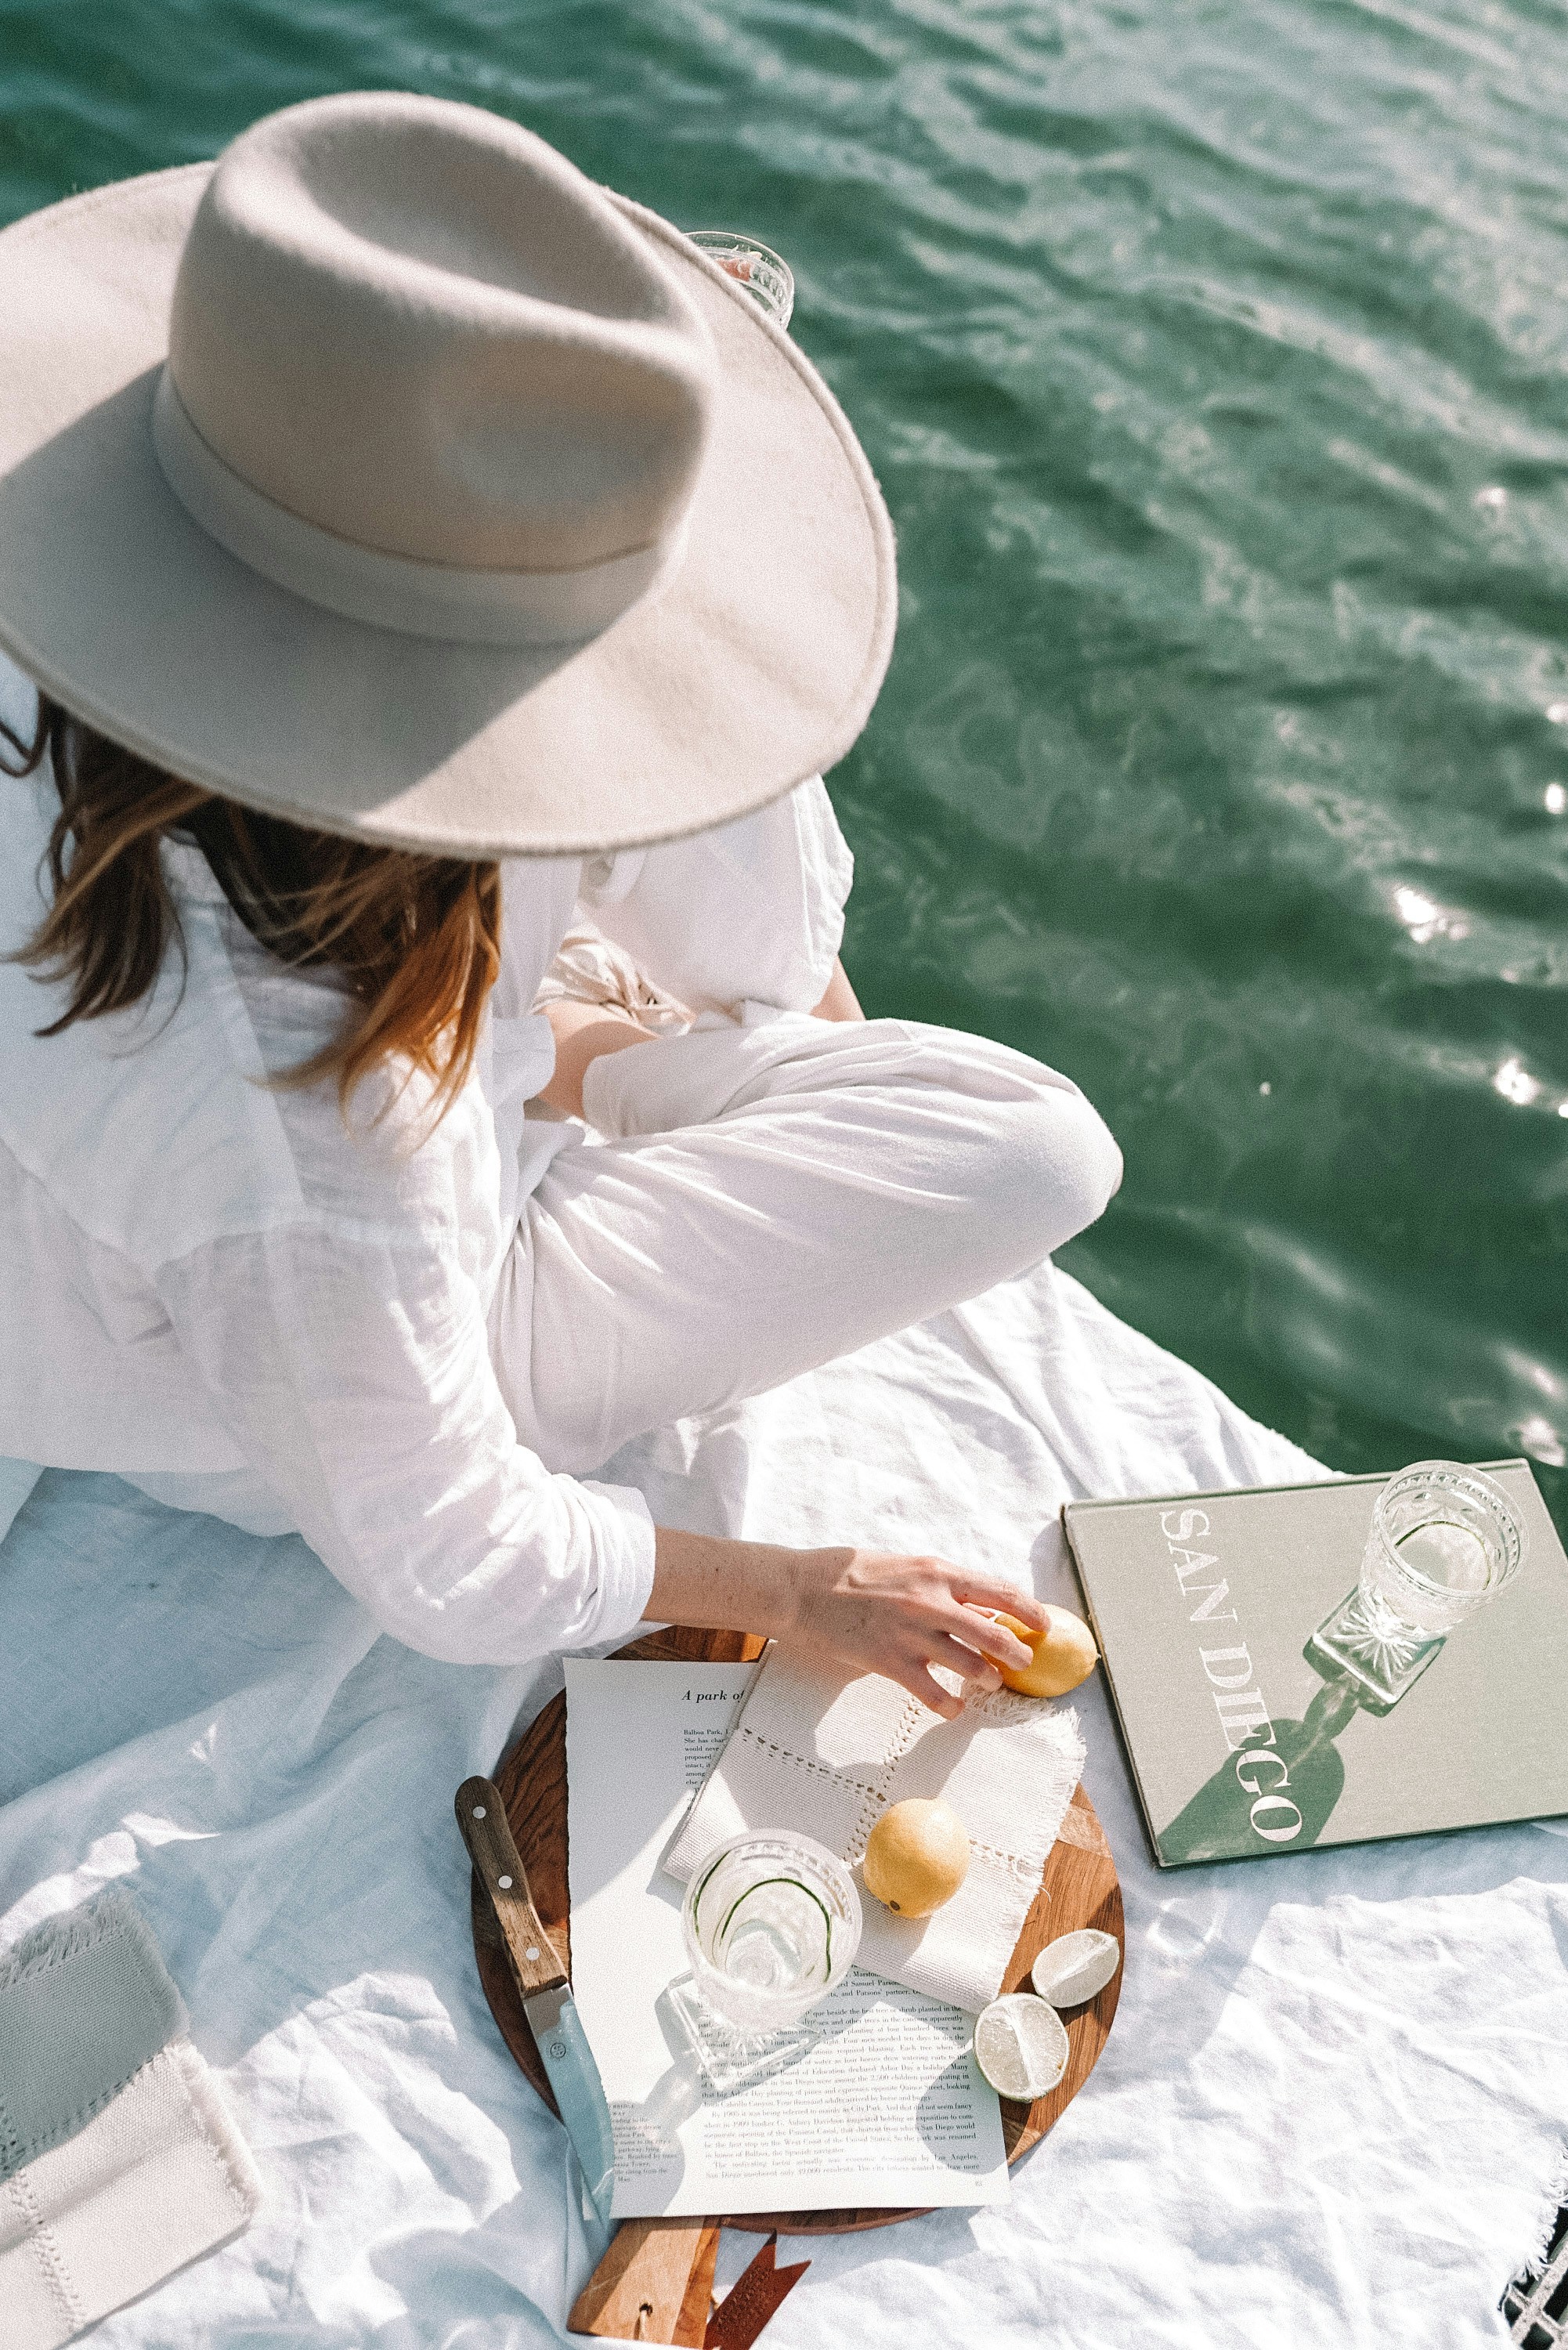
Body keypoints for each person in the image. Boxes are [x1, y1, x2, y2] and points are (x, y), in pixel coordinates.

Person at [0, 92, 1122, 1719]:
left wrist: (598, 580)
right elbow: (451, 1556)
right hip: (247, 1373)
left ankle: (586, 1043)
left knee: (943, 1105)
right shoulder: (316, 1132)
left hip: (251, 1162)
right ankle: (594, 1044)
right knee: (1027, 1148)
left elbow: (767, 962)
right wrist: (794, 1591)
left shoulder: (64, 641)